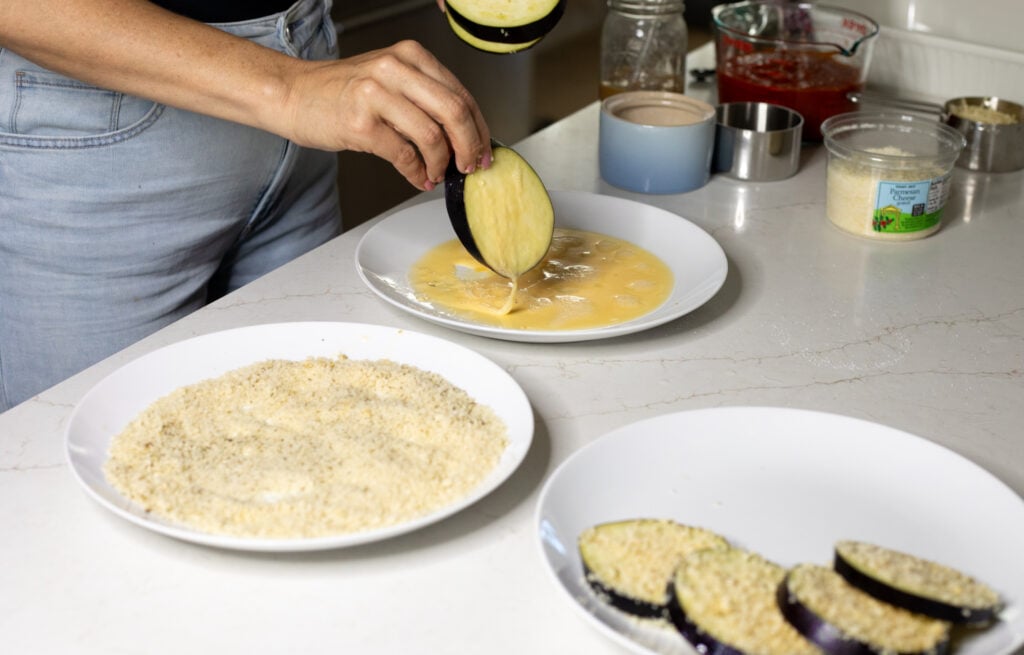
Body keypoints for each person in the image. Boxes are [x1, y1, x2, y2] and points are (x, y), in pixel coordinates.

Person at [0, 0, 491, 412]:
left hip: (306, 91)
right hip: (99, 144)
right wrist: (289, 88)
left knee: (326, 434)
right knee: (99, 465)